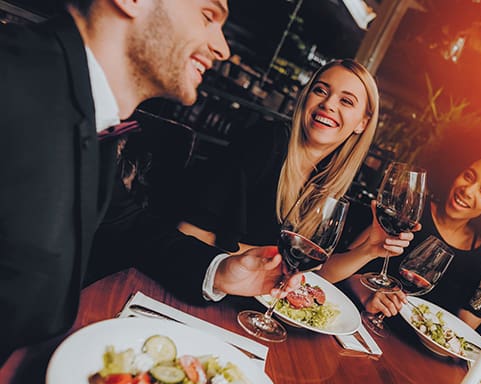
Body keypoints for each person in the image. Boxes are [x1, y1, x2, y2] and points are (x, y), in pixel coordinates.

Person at [0, 0, 296, 362]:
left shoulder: (95, 113)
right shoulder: (12, 81)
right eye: (208, 15)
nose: (222, 47)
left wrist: (221, 272)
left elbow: (127, 227)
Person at [318, 123, 481, 328]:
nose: (468, 190)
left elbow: (466, 325)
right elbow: (341, 269)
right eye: (469, 176)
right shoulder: (410, 213)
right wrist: (368, 293)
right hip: (352, 325)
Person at [178, 58, 414, 258]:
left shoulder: (329, 177)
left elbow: (318, 273)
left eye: (346, 101)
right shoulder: (264, 142)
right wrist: (278, 268)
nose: (328, 104)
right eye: (320, 90)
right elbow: (189, 232)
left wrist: (372, 250)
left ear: (362, 123)